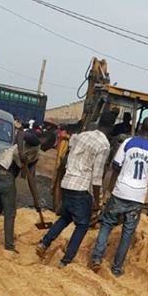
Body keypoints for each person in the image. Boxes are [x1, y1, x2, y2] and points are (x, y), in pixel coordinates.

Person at [36, 113, 111, 267]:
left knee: (65, 217)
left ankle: (44, 243)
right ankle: (66, 261)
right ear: (110, 128)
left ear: (98, 123)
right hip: (81, 188)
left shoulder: (81, 136)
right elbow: (96, 176)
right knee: (82, 225)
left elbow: (68, 155)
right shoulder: (104, 145)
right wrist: (97, 201)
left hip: (67, 183)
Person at [91, 117, 148, 277]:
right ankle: (116, 269)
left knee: (107, 224)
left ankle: (96, 259)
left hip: (120, 191)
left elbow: (115, 167)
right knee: (127, 233)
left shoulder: (128, 143)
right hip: (137, 197)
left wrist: (109, 189)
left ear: (140, 127)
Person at [0, 131, 42, 252]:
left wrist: (36, 201)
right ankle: (9, 246)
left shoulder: (35, 157)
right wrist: (21, 152)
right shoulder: (35, 142)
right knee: (10, 212)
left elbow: (31, 179)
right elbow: (21, 134)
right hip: (4, 172)